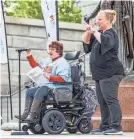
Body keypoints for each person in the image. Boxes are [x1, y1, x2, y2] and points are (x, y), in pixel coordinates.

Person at [82, 9, 124, 135]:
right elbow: (86, 42)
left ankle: (117, 127)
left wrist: (94, 30)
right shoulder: (98, 33)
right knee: (102, 101)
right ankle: (105, 126)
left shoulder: (111, 33)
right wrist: (89, 30)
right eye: (97, 19)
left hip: (111, 72)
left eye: (100, 19)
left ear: (108, 20)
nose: (97, 21)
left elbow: (103, 40)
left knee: (110, 99)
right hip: (100, 74)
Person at [15, 41, 72, 122]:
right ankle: (26, 113)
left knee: (42, 89)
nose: (49, 51)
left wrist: (49, 77)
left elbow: (63, 79)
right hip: (50, 87)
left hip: (61, 89)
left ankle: (32, 115)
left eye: (52, 49)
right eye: (49, 49)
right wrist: (29, 55)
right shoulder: (48, 61)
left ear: (58, 51)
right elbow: (36, 67)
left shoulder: (62, 63)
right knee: (30, 91)